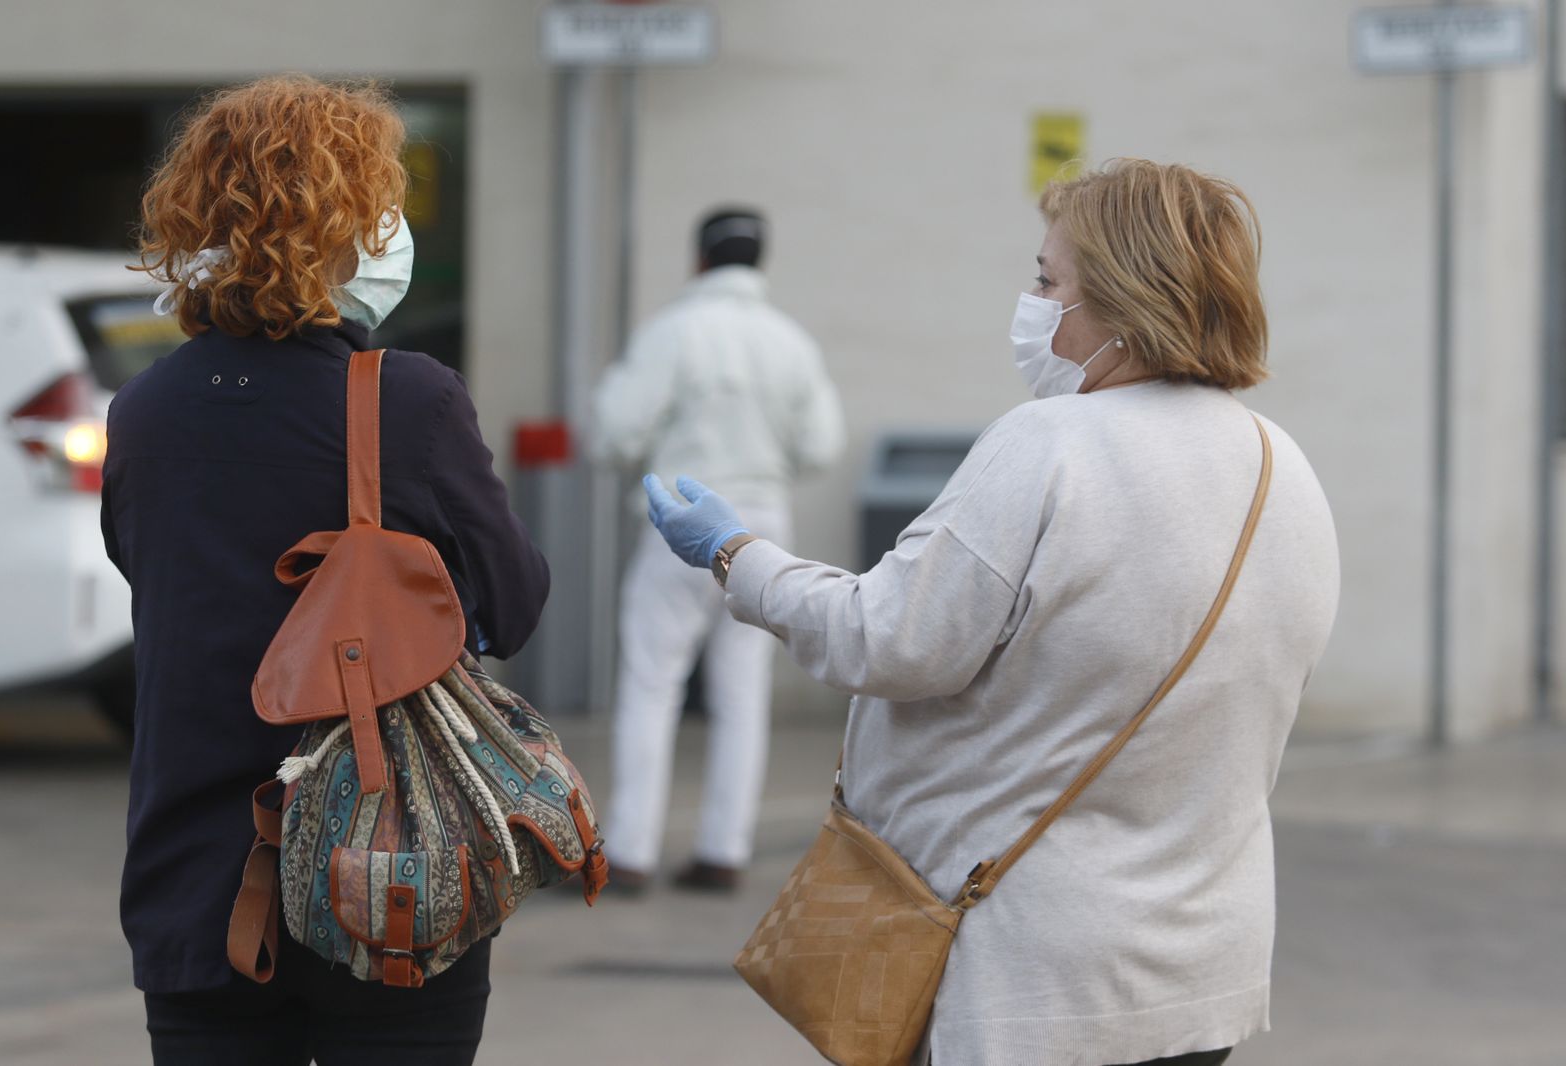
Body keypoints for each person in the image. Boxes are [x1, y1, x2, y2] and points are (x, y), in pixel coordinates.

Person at [642, 160, 1339, 1065]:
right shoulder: (1282, 464)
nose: (1031, 301)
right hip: (1203, 976)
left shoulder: (1050, 445)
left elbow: (885, 638)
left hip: (1032, 975)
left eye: (1049, 282)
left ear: (1125, 305)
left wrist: (737, 556)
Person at [102, 76, 549, 1065]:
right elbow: (512, 604)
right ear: (349, 227)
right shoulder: (407, 401)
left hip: (196, 880)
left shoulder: (143, 414)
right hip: (387, 872)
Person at [591, 207, 844, 893]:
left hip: (680, 517)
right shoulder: (790, 341)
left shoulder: (672, 332)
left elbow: (613, 430)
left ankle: (633, 851)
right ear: (759, 263)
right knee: (742, 692)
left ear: (699, 260)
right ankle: (722, 850)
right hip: (762, 523)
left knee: (651, 682)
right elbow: (820, 444)